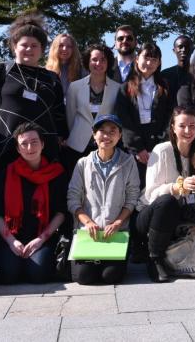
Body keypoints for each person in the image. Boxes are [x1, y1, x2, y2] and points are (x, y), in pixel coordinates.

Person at [0, 14, 68, 165]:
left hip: (43, 152)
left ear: (42, 49)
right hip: (2, 146)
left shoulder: (52, 78)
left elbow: (59, 113)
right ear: (15, 47)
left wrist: (61, 137)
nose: (29, 49)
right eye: (24, 45)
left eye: (34, 45)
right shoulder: (0, 70)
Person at [135, 107, 195, 282]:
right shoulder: (161, 150)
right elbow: (151, 195)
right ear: (173, 128)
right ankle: (155, 257)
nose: (187, 131)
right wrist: (177, 187)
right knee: (167, 201)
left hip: (182, 214)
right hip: (149, 216)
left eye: (192, 126)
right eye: (182, 125)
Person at [66, 114, 139, 285]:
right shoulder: (83, 163)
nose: (106, 136)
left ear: (120, 135)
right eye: (102, 131)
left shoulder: (128, 162)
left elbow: (132, 198)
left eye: (112, 131)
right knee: (84, 278)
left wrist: (117, 223)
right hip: (88, 233)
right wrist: (88, 222)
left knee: (111, 276)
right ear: (94, 134)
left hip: (116, 233)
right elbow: (73, 199)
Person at [0, 122, 67, 284]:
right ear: (18, 149)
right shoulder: (7, 172)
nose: (29, 147)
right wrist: (12, 241)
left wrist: (40, 239)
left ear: (42, 144)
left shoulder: (56, 173)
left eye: (34, 142)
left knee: (38, 275)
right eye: (23, 144)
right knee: (7, 276)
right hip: (13, 237)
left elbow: (61, 212)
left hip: (43, 237)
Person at [114, 42, 172, 186]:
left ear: (159, 63)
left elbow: (169, 116)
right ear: (137, 59)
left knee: (156, 185)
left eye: (154, 60)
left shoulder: (164, 87)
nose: (149, 63)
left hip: (158, 143)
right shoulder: (125, 88)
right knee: (133, 185)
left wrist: (159, 145)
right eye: (146, 58)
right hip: (134, 146)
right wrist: (138, 148)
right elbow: (123, 119)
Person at [64, 43, 120, 175]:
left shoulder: (117, 88)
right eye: (94, 59)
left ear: (108, 63)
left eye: (103, 60)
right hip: (77, 145)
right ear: (87, 61)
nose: (98, 63)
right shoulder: (75, 87)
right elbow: (70, 116)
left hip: (106, 145)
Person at [161, 35, 194, 104]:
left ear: (192, 50)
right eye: (180, 47)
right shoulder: (165, 75)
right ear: (174, 50)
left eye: (187, 47)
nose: (184, 50)